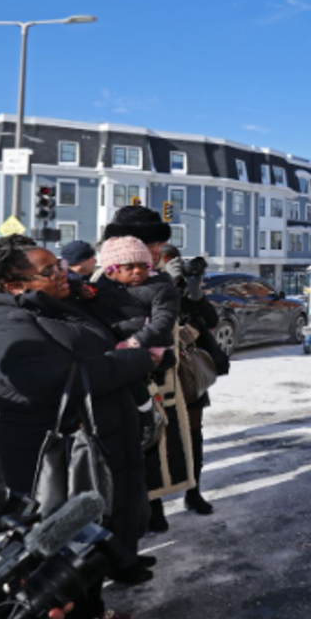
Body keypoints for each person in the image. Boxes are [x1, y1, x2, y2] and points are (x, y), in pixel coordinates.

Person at [0, 235, 156, 619]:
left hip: (92, 440)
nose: (62, 273)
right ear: (13, 285)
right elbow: (54, 378)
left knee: (85, 538)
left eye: (60, 266)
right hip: (47, 455)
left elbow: (104, 337)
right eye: (49, 271)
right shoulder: (4, 322)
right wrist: (137, 360)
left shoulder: (48, 305)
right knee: (50, 553)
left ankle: (89, 613)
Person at [99, 206, 195, 534]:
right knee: (139, 448)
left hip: (166, 373)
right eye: (151, 244)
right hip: (130, 376)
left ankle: (160, 504)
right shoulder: (104, 281)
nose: (157, 250)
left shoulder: (161, 278)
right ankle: (145, 511)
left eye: (157, 244)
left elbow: (183, 319)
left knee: (165, 445)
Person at [157, 244, 225, 517]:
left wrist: (194, 290)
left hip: (187, 373)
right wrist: (167, 284)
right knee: (158, 436)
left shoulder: (186, 290)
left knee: (194, 433)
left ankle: (194, 492)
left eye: (176, 261)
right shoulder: (151, 285)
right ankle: (154, 504)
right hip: (159, 373)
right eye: (167, 262)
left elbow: (211, 319)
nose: (175, 266)